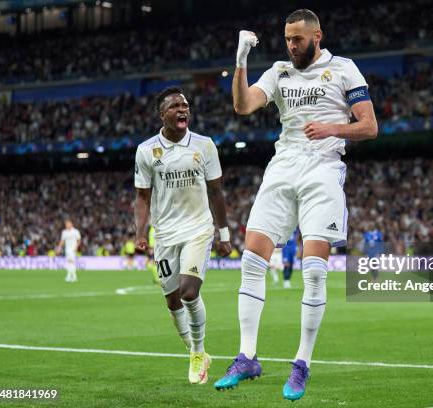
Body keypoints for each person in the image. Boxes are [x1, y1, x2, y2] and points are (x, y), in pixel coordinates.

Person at [214, 9, 378, 401]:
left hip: (323, 168)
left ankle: (301, 363)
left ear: (317, 35)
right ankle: (247, 356)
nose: (291, 44)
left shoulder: (344, 69)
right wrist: (240, 61)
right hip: (283, 166)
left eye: (298, 39)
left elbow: (369, 126)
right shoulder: (279, 72)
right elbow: (243, 105)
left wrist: (332, 127)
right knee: (252, 259)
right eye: (287, 38)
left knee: (314, 269)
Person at [134, 86, 231, 385]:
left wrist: (223, 233)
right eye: (175, 106)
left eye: (185, 105)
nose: (183, 110)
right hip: (164, 235)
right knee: (172, 301)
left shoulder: (204, 145)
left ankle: (198, 352)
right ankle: (195, 350)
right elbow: (141, 196)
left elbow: (216, 191)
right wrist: (140, 233)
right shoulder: (147, 150)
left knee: (189, 292)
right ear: (162, 114)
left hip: (198, 230)